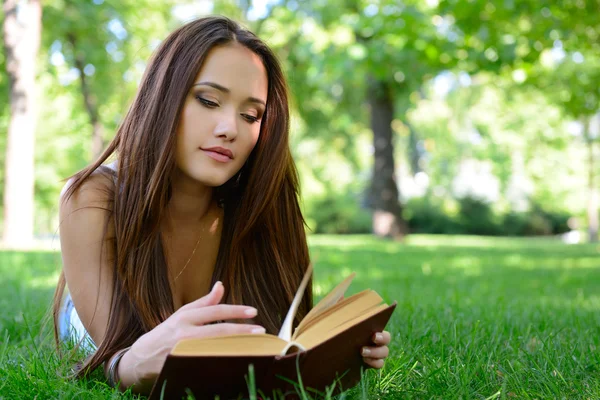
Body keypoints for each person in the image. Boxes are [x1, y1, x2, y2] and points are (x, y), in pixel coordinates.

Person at [52, 15, 391, 395]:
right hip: (88, 323)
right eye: (208, 100)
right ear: (163, 99)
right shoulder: (92, 200)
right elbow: (114, 357)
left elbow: (283, 343)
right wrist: (126, 365)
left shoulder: (261, 205)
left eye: (251, 115)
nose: (230, 128)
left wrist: (340, 352)